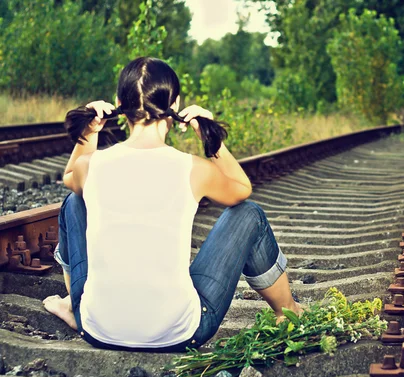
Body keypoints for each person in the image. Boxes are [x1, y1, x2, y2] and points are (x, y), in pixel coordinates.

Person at [42, 56, 302, 352]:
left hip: (96, 329)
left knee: (74, 201)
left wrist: (90, 132)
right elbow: (242, 191)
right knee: (249, 215)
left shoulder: (91, 164)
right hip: (180, 334)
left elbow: (70, 177)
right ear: (175, 105)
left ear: (118, 103)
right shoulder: (192, 168)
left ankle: (76, 306)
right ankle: (289, 311)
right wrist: (209, 135)